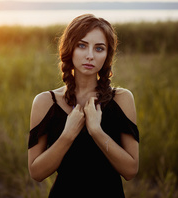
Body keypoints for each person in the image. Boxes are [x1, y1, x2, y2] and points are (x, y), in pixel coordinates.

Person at [28, 14, 139, 197]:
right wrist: (68, 135)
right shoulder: (45, 102)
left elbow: (131, 170)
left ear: (107, 55)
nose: (90, 56)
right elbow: (36, 173)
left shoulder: (121, 99)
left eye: (99, 48)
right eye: (82, 45)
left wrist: (96, 131)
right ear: (69, 48)